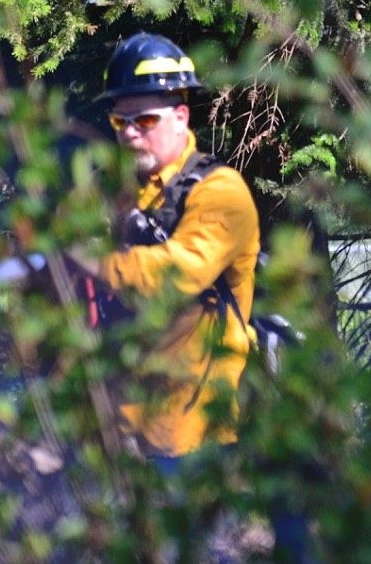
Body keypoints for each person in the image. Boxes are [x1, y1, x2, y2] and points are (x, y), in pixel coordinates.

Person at [73, 31, 261, 460]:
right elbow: (57, 240)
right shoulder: (110, 190)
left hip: (191, 436)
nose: (130, 134)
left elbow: (179, 274)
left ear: (180, 117)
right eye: (121, 122)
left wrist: (97, 262)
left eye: (145, 121)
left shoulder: (222, 193)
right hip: (112, 425)